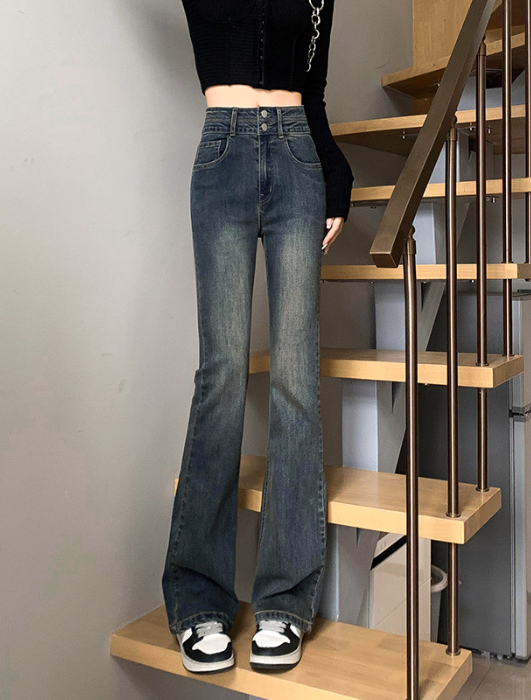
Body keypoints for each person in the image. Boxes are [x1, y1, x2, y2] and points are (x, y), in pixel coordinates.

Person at [162, 0, 354, 675]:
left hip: (299, 157)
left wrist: (334, 171)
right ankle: (199, 600)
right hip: (223, 150)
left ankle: (285, 601)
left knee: (297, 377)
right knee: (221, 374)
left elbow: (314, 89)